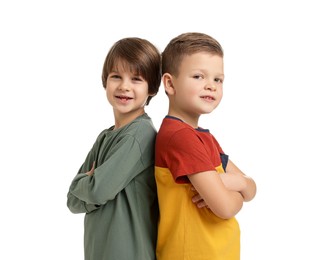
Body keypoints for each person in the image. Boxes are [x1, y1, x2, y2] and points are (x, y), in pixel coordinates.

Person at [154, 32, 257, 260]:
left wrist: (235, 182)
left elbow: (251, 189)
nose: (210, 86)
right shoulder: (180, 137)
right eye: (199, 76)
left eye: (217, 79)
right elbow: (226, 208)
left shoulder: (203, 137)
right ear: (170, 83)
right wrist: (234, 188)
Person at [67, 37, 161, 260]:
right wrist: (88, 185)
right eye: (116, 76)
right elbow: (71, 200)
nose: (124, 86)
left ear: (152, 88)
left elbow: (97, 191)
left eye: (136, 79)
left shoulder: (140, 134)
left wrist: (86, 183)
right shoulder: (105, 137)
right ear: (105, 81)